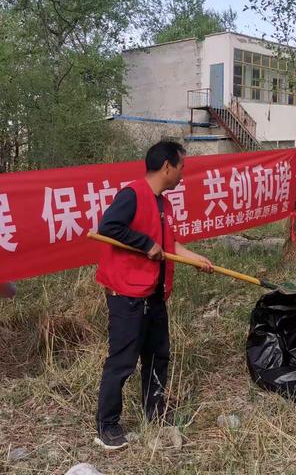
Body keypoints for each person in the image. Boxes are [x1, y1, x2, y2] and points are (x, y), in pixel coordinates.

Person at [94, 141, 214, 450]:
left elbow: (169, 246)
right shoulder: (132, 195)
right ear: (167, 167)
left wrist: (196, 259)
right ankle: (107, 425)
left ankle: (155, 411)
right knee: (122, 361)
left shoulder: (164, 204)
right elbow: (108, 227)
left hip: (155, 294)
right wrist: (144, 243)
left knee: (158, 356)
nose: (183, 175)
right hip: (128, 295)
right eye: (181, 168)